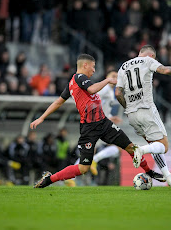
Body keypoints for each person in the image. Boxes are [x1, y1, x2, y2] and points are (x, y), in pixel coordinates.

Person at [30, 54, 141, 188]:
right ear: (85, 65)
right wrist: (107, 80)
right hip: (90, 126)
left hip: (99, 122)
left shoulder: (72, 82)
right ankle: (52, 179)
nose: (94, 70)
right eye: (93, 67)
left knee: (91, 163)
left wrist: (42, 117)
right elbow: (92, 89)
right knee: (85, 166)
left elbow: (58, 102)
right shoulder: (80, 77)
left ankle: (48, 180)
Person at [115, 45, 171, 187]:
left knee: (154, 145)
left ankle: (168, 176)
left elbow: (117, 93)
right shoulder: (148, 61)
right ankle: (140, 150)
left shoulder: (123, 66)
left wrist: (128, 107)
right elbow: (166, 70)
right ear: (151, 56)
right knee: (163, 146)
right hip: (147, 110)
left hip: (132, 115)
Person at [75, 70, 165, 183]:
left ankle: (79, 172)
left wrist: (110, 117)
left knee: (115, 149)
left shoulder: (109, 91)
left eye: (117, 77)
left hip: (101, 123)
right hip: (96, 125)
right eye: (112, 76)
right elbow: (91, 98)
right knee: (110, 150)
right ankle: (81, 171)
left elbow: (100, 106)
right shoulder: (104, 89)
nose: (115, 78)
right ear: (106, 77)